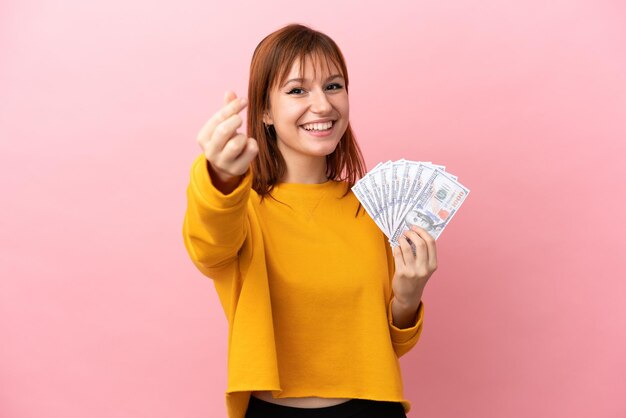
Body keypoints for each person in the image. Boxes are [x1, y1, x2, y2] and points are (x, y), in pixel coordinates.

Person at [182, 23, 438, 418]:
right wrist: (220, 176)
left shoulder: (374, 209)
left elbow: (392, 343)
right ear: (265, 110)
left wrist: (408, 297)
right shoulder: (241, 208)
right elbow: (207, 244)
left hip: (373, 408)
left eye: (334, 86)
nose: (322, 105)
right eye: (297, 90)